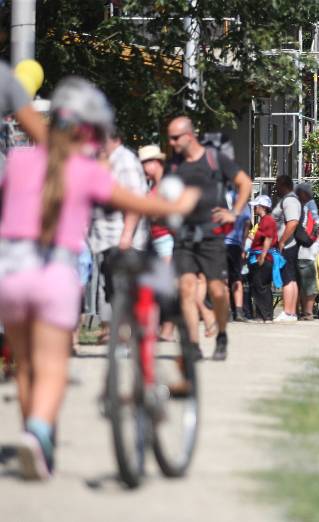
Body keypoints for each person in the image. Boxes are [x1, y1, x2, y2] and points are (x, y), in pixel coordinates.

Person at [0, 77, 198, 480]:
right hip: (54, 272)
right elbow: (138, 202)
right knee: (54, 365)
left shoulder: (19, 160)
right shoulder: (85, 169)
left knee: (25, 366)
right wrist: (181, 203)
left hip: (10, 271)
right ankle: (38, 432)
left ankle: (35, 440)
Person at [167, 115, 252, 360]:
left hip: (212, 235)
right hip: (183, 235)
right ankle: (192, 344)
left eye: (175, 138)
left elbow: (245, 183)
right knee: (186, 288)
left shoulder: (215, 159)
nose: (171, 143)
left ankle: (222, 334)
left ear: (189, 135)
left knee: (217, 290)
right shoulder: (173, 166)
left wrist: (234, 212)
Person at [88, 131, 149, 342]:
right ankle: (121, 335)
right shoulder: (106, 160)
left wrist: (127, 234)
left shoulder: (124, 161)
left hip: (121, 239)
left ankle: (126, 336)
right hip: (106, 239)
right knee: (112, 291)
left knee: (121, 290)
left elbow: (134, 199)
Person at [138, 144, 175, 340]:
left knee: (166, 285)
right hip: (154, 239)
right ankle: (159, 326)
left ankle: (168, 329)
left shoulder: (166, 186)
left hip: (167, 238)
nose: (143, 167)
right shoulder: (152, 186)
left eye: (145, 163)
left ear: (156, 163)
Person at [271, 175, 301, 322]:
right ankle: (291, 312)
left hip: (288, 245)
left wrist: (282, 241)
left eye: (277, 184)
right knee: (291, 279)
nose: (275, 187)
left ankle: (288, 312)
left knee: (287, 279)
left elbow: (293, 222)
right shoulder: (289, 200)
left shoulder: (289, 200)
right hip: (290, 244)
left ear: (283, 185)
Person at [223, 187, 252, 321]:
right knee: (237, 278)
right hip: (236, 244)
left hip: (222, 243)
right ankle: (239, 311)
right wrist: (242, 243)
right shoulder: (243, 203)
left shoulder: (221, 197)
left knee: (224, 278)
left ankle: (227, 311)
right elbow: (247, 224)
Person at [247, 195, 277, 322]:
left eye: (256, 206)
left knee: (261, 286)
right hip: (259, 255)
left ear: (262, 207)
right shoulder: (263, 221)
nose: (254, 208)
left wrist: (263, 255)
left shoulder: (267, 220)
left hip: (264, 256)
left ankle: (266, 315)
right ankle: (261, 314)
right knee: (259, 286)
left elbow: (268, 238)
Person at [295, 182, 319, 321]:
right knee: (304, 282)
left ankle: (303, 312)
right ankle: (304, 312)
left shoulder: (307, 205)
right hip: (305, 249)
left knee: (303, 282)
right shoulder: (306, 205)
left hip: (303, 248)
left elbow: (314, 224)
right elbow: (316, 224)